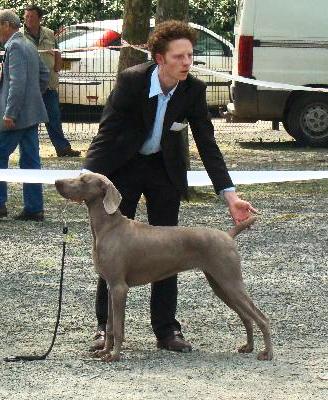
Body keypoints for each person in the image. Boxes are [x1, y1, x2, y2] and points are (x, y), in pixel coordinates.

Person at [84, 20, 257, 353]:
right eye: (179, 57)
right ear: (159, 58)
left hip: (165, 172)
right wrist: (86, 179)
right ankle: (105, 329)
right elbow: (106, 134)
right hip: (125, 167)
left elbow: (208, 143)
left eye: (190, 56)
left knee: (171, 250)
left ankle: (166, 330)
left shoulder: (193, 89)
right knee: (113, 251)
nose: (187, 63)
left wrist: (230, 195)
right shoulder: (131, 81)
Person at [0, 9, 49, 221]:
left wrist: (10, 112)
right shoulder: (29, 43)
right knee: (31, 161)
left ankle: (0, 205)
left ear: (6, 25)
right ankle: (34, 207)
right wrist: (34, 96)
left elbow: (16, 83)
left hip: (17, 116)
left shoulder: (15, 46)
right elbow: (44, 74)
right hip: (32, 113)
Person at [22, 4, 80, 158]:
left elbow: (57, 51)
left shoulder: (49, 33)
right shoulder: (19, 35)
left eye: (32, 16)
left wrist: (57, 67)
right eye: (26, 16)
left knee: (54, 118)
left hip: (48, 84)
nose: (28, 19)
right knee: (30, 121)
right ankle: (31, 151)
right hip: (29, 86)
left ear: (40, 18)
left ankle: (63, 149)